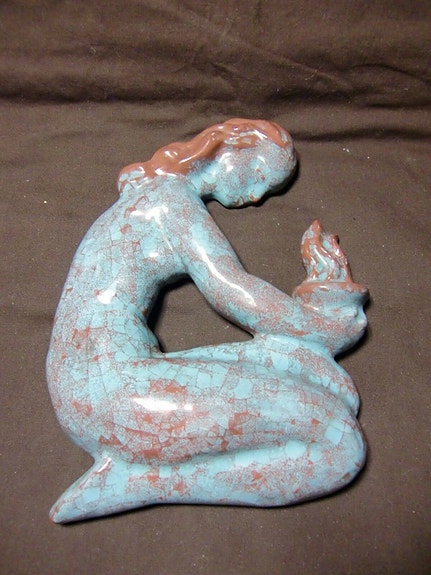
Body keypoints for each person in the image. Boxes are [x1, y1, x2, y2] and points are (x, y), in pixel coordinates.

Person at [47, 119, 368, 523]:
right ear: (232, 148)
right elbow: (231, 290)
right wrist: (324, 328)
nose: (255, 194)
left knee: (332, 383)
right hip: (106, 391)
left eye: (265, 189)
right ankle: (151, 481)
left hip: (115, 375)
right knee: (340, 445)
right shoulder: (166, 199)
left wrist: (315, 331)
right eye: (258, 175)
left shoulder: (153, 197)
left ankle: (150, 474)